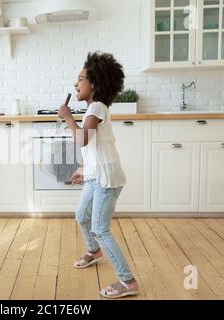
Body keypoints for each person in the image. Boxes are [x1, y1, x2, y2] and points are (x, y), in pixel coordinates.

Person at [58, 52, 138, 298]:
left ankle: (127, 282)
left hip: (107, 180)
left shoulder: (96, 107)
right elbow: (94, 150)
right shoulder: (94, 108)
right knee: (81, 215)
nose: (76, 83)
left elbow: (83, 139)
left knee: (100, 229)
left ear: (94, 83)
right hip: (97, 176)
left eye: (80, 79)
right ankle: (93, 252)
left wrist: (68, 117)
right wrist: (84, 171)